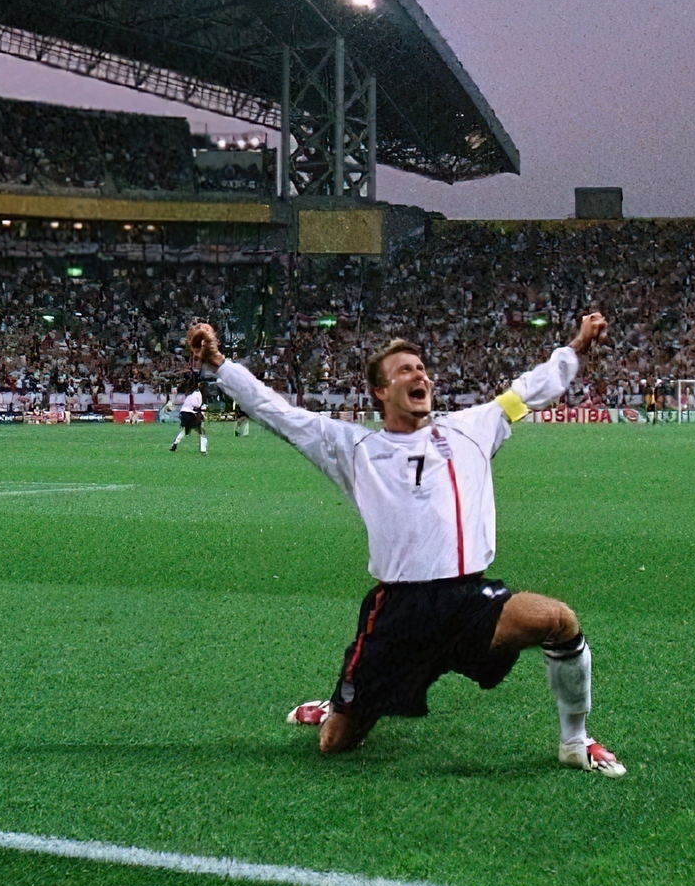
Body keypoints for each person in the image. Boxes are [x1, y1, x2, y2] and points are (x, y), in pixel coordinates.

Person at [184, 313, 626, 776]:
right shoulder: (353, 448)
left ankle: (575, 741)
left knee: (558, 620)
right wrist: (217, 361)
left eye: (421, 368)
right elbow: (276, 411)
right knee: (335, 745)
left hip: (469, 602)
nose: (420, 375)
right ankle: (338, 706)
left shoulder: (474, 427)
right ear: (380, 391)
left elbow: (531, 389)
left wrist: (575, 349)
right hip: (398, 614)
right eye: (405, 370)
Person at [169, 375, 207, 454]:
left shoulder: (190, 395)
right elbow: (196, 405)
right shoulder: (198, 394)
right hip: (190, 414)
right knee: (201, 431)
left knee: (184, 430)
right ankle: (203, 449)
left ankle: (175, 443)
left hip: (183, 413)